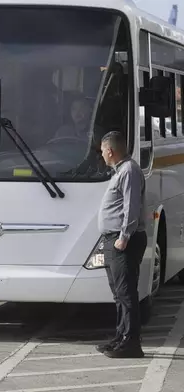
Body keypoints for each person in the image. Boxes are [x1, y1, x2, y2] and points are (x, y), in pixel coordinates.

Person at [96, 130, 147, 359]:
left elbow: (131, 206)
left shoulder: (129, 171)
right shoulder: (119, 171)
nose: (102, 156)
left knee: (126, 293)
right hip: (112, 238)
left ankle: (131, 343)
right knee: (119, 293)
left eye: (102, 151)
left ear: (110, 150)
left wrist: (123, 237)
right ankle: (120, 336)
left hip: (124, 240)